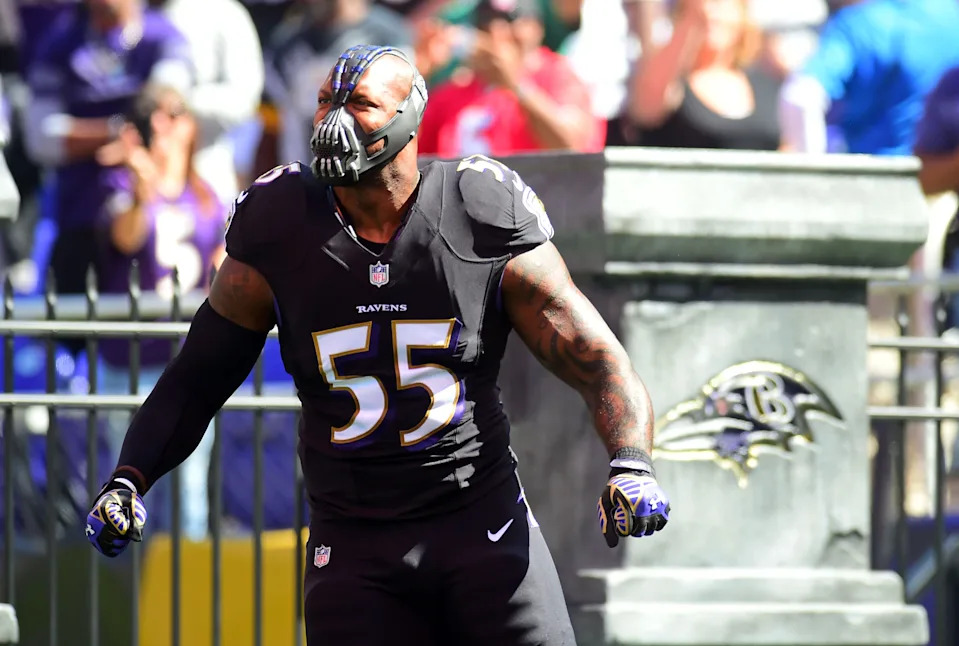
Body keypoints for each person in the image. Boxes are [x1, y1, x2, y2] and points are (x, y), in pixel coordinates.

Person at [84, 45, 670, 645]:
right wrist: (129, 478)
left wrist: (631, 463)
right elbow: (197, 376)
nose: (335, 121)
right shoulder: (282, 221)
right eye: (324, 103)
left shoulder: (477, 208)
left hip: (478, 521)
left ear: (410, 117)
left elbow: (593, 356)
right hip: (354, 541)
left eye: (360, 105)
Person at [96, 83, 227, 538]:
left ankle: (181, 597)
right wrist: (140, 191)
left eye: (172, 114)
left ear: (189, 126)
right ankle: (131, 590)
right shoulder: (120, 183)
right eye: (151, 115)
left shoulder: (205, 195)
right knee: (124, 488)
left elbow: (221, 268)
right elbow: (125, 239)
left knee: (190, 494)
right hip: (128, 362)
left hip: (183, 364)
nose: (162, 125)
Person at [22, 0, 192, 301]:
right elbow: (42, 137)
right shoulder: (60, 42)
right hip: (80, 217)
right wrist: (116, 130)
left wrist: (88, 133)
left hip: (155, 215)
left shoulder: (163, 35)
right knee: (70, 334)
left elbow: (165, 108)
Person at [417, 0, 604, 157]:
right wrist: (420, 74)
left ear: (536, 27)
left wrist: (516, 85)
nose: (497, 32)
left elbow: (574, 148)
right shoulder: (455, 91)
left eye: (511, 19)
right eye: (486, 20)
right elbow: (410, 157)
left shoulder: (560, 74)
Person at [778, 0, 959, 155]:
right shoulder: (951, 15)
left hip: (877, 180)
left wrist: (812, 177)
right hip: (941, 183)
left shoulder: (860, 24)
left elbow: (800, 96)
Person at [616, 0, 780, 151]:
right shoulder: (673, 85)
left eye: (720, 4)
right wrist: (691, 18)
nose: (712, 13)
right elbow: (645, 108)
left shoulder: (765, 84)